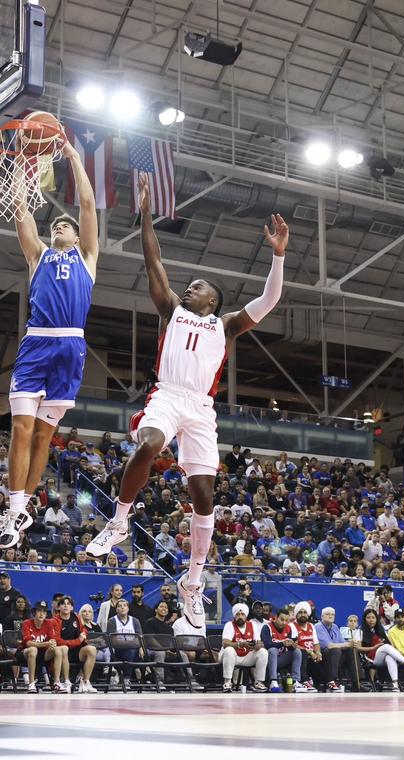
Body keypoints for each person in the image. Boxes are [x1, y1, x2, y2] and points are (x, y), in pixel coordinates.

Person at [87, 173, 289, 629]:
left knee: (203, 496)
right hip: (167, 395)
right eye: (189, 285)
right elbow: (152, 259)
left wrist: (278, 256)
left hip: (201, 409)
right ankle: (119, 521)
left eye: (198, 286)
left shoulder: (228, 325)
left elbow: (270, 298)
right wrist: (144, 213)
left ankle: (192, 582)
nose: (189, 288)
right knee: (149, 444)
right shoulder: (171, 311)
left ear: (213, 301)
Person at [0, 139, 100, 550]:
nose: (60, 226)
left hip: (70, 348)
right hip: (36, 344)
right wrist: (21, 168)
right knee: (20, 428)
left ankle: (23, 503)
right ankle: (16, 507)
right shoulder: (37, 255)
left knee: (43, 437)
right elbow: (21, 211)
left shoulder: (87, 256)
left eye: (65, 225)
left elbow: (88, 206)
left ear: (75, 235)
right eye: (55, 224)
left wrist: (73, 158)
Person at [20, 600, 68, 693]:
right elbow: (28, 643)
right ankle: (31, 683)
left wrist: (52, 643)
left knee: (57, 649)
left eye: (44, 611)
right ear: (34, 613)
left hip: (43, 653)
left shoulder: (48, 623)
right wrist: (45, 644)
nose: (41, 614)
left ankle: (56, 683)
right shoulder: (27, 623)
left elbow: (52, 639)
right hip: (26, 652)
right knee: (33, 649)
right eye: (39, 611)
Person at [220, 602, 268, 693]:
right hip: (233, 657)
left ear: (246, 616)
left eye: (242, 614)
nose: (240, 616)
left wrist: (257, 646)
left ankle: (258, 682)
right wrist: (240, 644)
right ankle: (227, 682)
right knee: (229, 650)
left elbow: (259, 642)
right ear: (234, 615)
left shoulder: (252, 624)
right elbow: (225, 643)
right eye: (238, 614)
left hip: (247, 656)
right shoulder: (229, 625)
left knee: (263, 652)